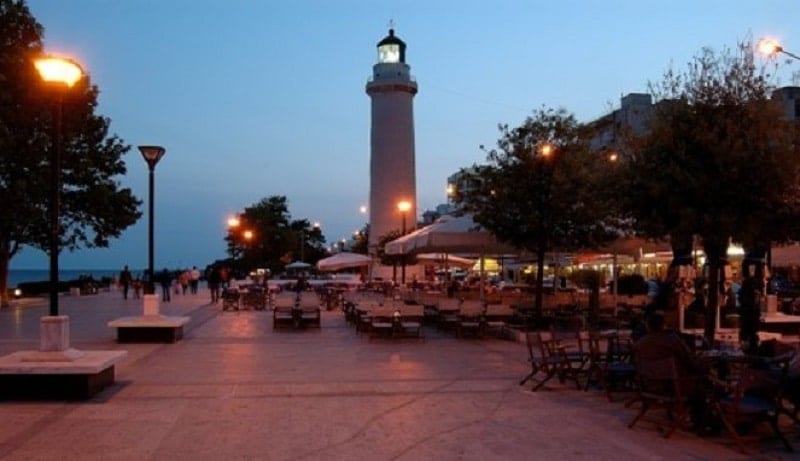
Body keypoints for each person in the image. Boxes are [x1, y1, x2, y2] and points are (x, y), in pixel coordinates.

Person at [633, 311, 708, 429]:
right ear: (663, 325)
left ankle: (687, 415)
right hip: (674, 386)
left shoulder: (640, 344)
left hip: (650, 386)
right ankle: (702, 422)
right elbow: (689, 361)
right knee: (704, 382)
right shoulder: (671, 341)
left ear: (647, 326)